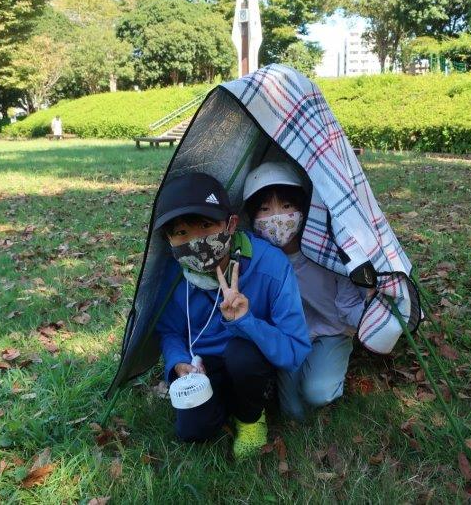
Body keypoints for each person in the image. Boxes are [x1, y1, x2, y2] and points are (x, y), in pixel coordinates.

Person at [153, 172, 310, 459]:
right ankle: (230, 402)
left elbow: (295, 351)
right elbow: (170, 331)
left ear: (231, 224)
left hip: (250, 356)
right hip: (203, 364)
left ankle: (251, 418)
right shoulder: (175, 275)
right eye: (181, 233)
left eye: (205, 225)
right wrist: (178, 363)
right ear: (169, 240)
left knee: (242, 356)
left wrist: (246, 321)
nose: (196, 241)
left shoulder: (270, 265)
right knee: (193, 431)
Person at [243, 162, 367, 422]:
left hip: (332, 331)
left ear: (302, 208)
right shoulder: (260, 260)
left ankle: (328, 367)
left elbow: (347, 307)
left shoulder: (327, 252)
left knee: (317, 393)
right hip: (290, 337)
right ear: (253, 219)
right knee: (293, 412)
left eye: (286, 207)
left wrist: (374, 315)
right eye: (265, 209)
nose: (277, 218)